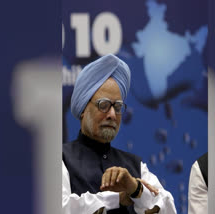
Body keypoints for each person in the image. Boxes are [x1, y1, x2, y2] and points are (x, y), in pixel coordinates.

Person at [62, 54, 176, 214]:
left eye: (117, 107)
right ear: (83, 110)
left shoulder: (134, 166)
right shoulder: (62, 159)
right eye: (103, 105)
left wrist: (135, 189)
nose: (112, 115)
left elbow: (168, 208)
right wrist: (115, 199)